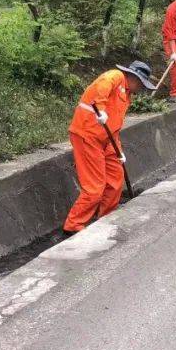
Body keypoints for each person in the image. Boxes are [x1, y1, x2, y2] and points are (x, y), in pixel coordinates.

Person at [63, 61, 157, 234]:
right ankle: (73, 225)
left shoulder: (127, 94)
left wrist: (119, 152)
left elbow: (114, 126)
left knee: (115, 177)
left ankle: (106, 216)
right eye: (141, 84)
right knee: (94, 187)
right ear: (133, 77)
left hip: (107, 139)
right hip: (88, 134)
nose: (141, 89)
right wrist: (100, 108)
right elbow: (102, 86)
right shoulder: (116, 76)